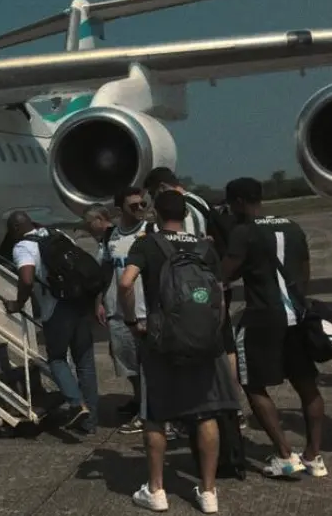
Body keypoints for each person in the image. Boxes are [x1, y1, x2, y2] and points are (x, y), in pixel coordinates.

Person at [118, 190, 240, 513]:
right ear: (185, 214)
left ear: (157, 214)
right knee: (205, 413)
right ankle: (209, 492)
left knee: (155, 416)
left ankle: (156, 490)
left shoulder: (147, 244)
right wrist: (211, 331)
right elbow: (219, 294)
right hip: (204, 342)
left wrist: (131, 321)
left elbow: (126, 283)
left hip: (162, 341)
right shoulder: (204, 247)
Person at [220, 177, 326, 478]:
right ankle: (313, 455)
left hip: (263, 315)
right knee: (306, 383)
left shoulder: (243, 231)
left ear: (239, 202)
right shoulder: (292, 226)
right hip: (296, 314)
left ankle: (284, 453)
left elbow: (225, 273)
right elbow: (304, 270)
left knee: (252, 383)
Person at [143, 167, 246, 429]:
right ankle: (231, 403)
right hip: (212, 283)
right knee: (224, 343)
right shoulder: (200, 201)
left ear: (162, 188)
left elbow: (182, 249)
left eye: (154, 194)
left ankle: (205, 405)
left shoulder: (183, 207)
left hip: (192, 289)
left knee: (194, 344)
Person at [3, 211, 98, 434]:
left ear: (16, 229)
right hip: (79, 302)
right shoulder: (57, 235)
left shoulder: (23, 247)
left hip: (56, 308)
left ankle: (77, 404)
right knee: (85, 362)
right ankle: (90, 422)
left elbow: (27, 279)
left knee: (56, 358)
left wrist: (18, 303)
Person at [94, 188, 150, 435]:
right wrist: (99, 301)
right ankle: (139, 401)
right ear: (119, 209)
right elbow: (106, 268)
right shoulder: (111, 236)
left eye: (143, 204)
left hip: (145, 311)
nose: (140, 209)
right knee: (129, 365)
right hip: (117, 311)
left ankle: (148, 413)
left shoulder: (150, 232)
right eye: (133, 206)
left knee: (149, 367)